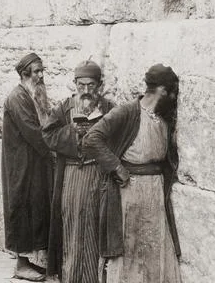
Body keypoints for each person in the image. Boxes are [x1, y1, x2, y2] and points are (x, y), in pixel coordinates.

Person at [82, 64, 182, 283]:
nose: (175, 97)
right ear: (163, 90)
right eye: (173, 91)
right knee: (129, 249)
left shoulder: (162, 117)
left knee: (153, 250)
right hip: (129, 193)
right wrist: (116, 167)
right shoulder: (127, 111)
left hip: (154, 195)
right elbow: (91, 138)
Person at [43, 61, 115, 282]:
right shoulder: (65, 108)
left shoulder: (110, 109)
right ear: (74, 84)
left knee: (94, 227)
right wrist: (71, 132)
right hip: (72, 176)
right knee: (71, 228)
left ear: (100, 85)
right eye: (81, 85)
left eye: (91, 85)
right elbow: (48, 134)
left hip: (97, 176)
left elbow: (119, 138)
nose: (86, 91)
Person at [2, 53, 52, 282]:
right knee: (21, 208)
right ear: (25, 74)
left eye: (42, 70)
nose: (41, 75)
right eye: (37, 71)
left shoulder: (32, 94)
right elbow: (33, 131)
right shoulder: (17, 97)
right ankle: (20, 265)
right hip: (21, 165)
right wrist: (54, 149)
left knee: (35, 208)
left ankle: (28, 260)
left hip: (33, 164)